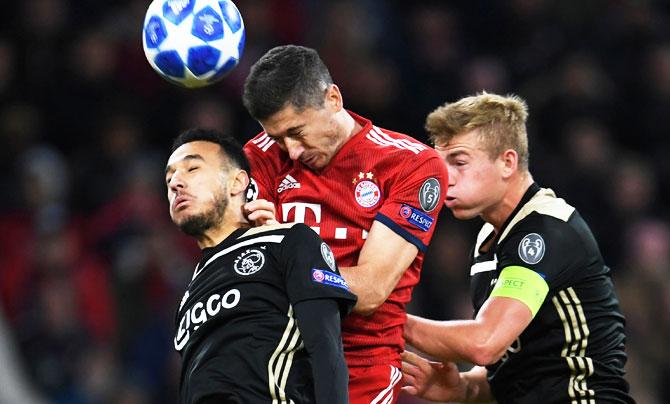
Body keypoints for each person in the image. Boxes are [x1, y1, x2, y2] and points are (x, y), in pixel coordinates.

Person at [241, 45, 449, 403]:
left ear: (333, 98)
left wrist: (280, 245)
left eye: (297, 131)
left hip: (361, 367)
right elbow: (243, 268)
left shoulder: (410, 165)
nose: (291, 151)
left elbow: (369, 289)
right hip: (271, 361)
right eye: (278, 138)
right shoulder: (260, 155)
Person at [401, 92, 634, 403]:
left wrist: (390, 318)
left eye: (459, 162)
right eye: (439, 164)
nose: (446, 178)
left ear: (507, 162)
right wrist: (465, 388)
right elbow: (517, 362)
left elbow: (485, 342)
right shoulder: (491, 236)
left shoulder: (546, 230)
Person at [165, 128, 357, 404]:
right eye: (169, 178)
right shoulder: (189, 293)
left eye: (192, 168)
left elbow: (327, 349)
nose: (176, 183)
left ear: (237, 182)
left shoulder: (288, 241)